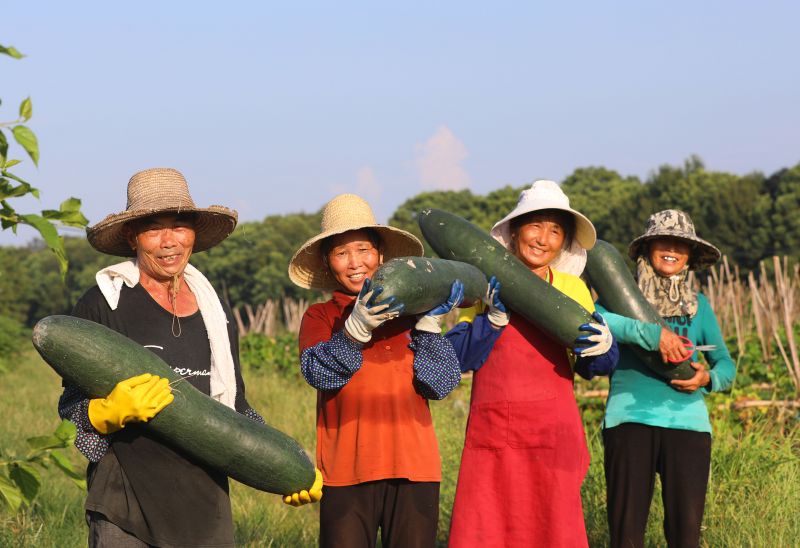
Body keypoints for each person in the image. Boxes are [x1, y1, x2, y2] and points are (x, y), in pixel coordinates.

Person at [58, 168, 319, 547]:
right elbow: (69, 406)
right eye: (153, 228)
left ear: (193, 233)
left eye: (179, 226)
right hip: (125, 504)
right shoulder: (103, 304)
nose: (169, 241)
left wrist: (293, 465)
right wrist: (104, 413)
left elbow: (236, 408)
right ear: (133, 237)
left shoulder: (217, 312)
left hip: (203, 503)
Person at [444, 180, 619, 547]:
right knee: (487, 530)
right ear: (516, 231)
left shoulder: (572, 289)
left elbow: (592, 365)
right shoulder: (485, 287)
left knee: (553, 530)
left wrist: (604, 347)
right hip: (494, 437)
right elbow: (457, 358)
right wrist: (489, 320)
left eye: (555, 230)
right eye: (535, 225)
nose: (543, 238)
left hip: (552, 435)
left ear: (564, 241)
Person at [288, 193, 463, 548]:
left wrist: (429, 325)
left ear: (381, 256)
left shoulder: (413, 315)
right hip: (345, 472)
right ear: (328, 262)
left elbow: (440, 384)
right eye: (341, 253)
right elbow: (318, 373)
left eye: (364, 250)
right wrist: (355, 330)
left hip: (415, 469)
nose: (355, 263)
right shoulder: (321, 317)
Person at [597, 210, 736, 548]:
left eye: (682, 244)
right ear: (648, 248)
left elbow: (725, 365)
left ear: (689, 255)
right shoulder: (620, 298)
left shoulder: (698, 306)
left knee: (685, 535)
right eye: (664, 240)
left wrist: (707, 378)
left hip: (688, 425)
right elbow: (596, 319)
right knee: (626, 532)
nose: (672, 248)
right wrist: (650, 334)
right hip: (629, 418)